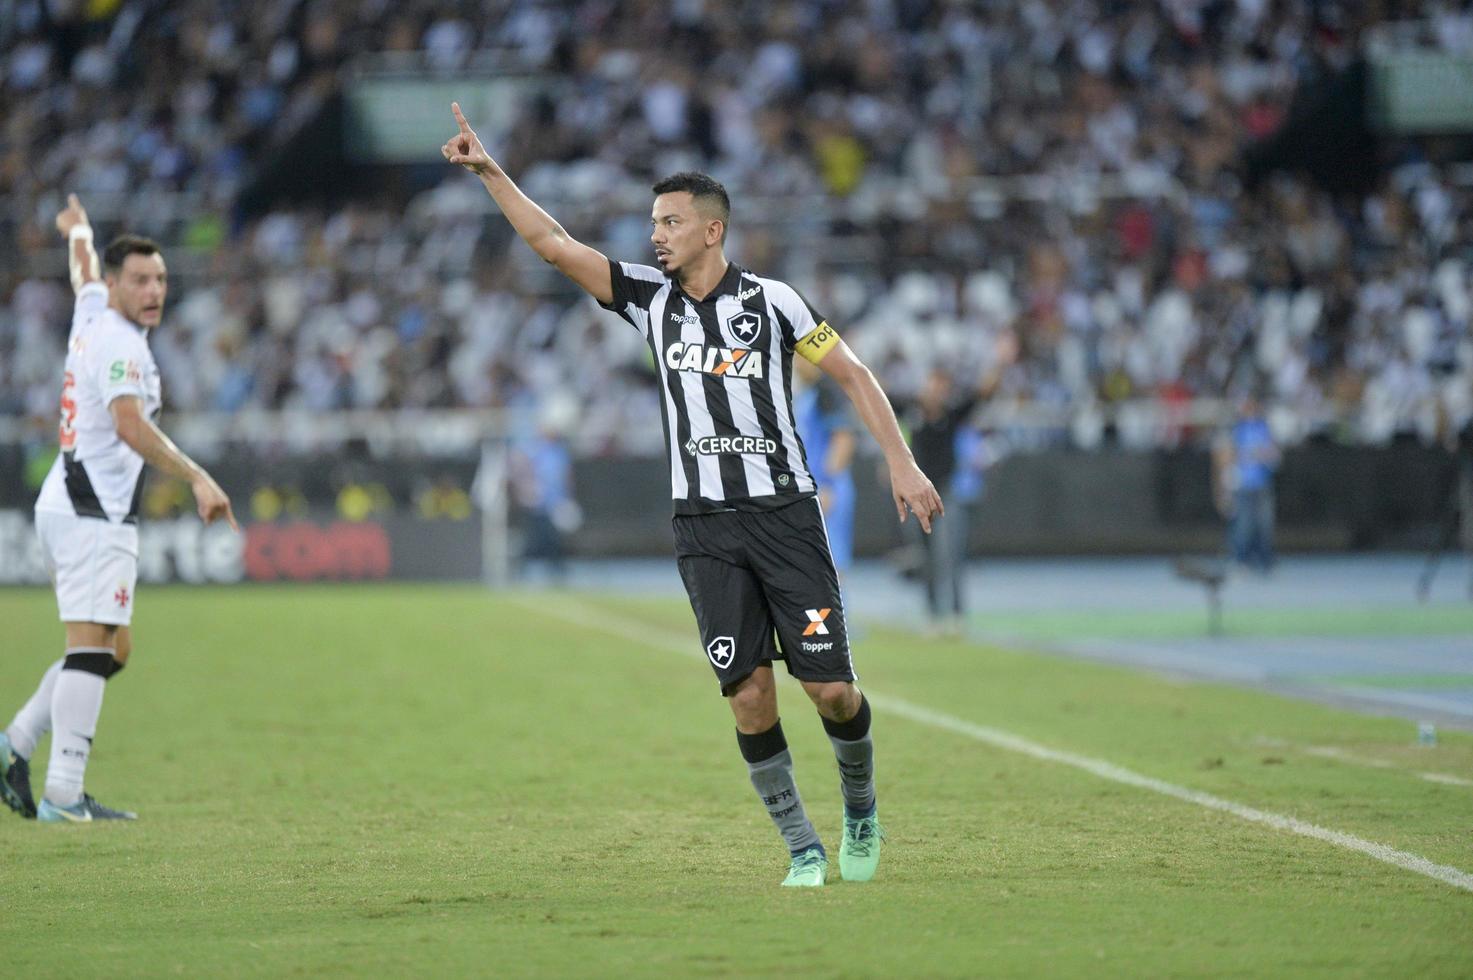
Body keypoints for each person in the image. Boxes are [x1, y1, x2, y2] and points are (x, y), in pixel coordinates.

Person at [443, 104, 942, 886]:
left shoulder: (776, 303)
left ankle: (860, 807)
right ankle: (802, 848)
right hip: (703, 526)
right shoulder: (647, 299)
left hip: (784, 515)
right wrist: (489, 171)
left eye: (670, 222)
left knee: (832, 690)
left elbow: (852, 373)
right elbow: (551, 245)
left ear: (712, 230)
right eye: (653, 222)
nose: (656, 235)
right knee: (749, 698)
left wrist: (901, 462)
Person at [0, 195, 237, 824]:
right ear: (117, 286)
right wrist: (198, 476)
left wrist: (79, 229)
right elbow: (130, 425)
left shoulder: (94, 309)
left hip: (70, 502)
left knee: (114, 647)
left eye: (160, 278)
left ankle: (14, 744)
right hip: (91, 509)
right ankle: (63, 795)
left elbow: (81, 269)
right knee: (90, 647)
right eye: (140, 280)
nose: (153, 289)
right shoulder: (122, 346)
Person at [792, 357, 858, 575]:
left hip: (827, 487)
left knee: (831, 561)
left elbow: (843, 439)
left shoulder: (827, 390)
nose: (796, 363)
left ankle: (837, 609)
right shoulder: (808, 392)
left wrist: (827, 484)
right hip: (813, 486)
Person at [1215, 394, 1280, 573]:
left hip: (1262, 483)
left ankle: (1264, 560)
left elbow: (1274, 456)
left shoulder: (1265, 428)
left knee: (1264, 524)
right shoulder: (1236, 429)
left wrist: (1261, 454)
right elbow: (1227, 458)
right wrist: (1224, 488)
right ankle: (1240, 560)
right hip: (1242, 484)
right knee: (1243, 525)